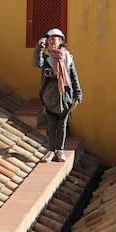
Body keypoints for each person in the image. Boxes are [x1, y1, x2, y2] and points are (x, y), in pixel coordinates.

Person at [35, 28, 81, 162]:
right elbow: (37, 62)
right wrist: (39, 47)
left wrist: (78, 94)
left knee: (62, 125)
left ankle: (60, 151)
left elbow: (73, 77)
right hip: (50, 95)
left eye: (53, 40)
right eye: (49, 40)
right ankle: (51, 151)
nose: (51, 43)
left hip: (65, 95)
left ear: (61, 41)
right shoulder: (46, 58)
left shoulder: (68, 58)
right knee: (51, 125)